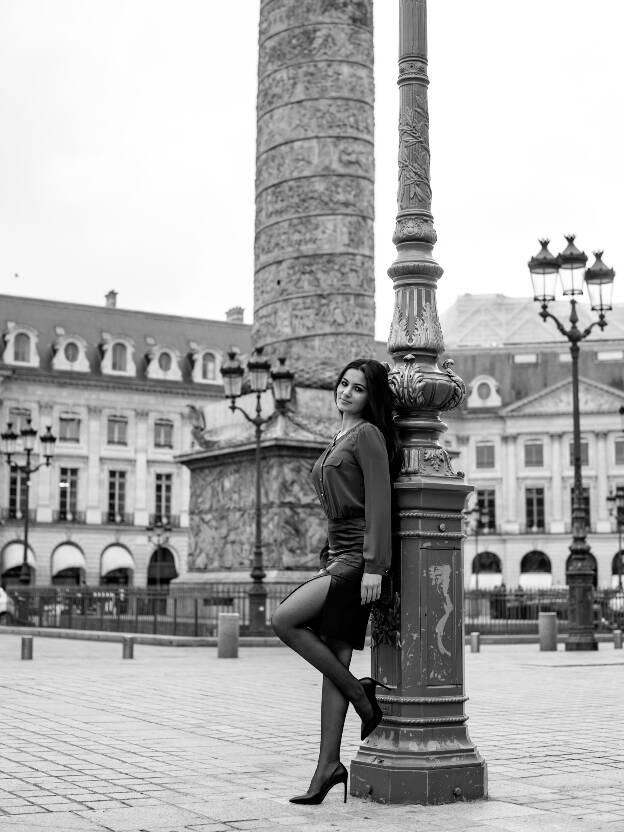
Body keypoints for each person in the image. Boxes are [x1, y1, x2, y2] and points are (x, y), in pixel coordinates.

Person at [271, 358, 401, 805]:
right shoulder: (339, 436)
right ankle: (329, 766)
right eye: (343, 384)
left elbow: (380, 501)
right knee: (336, 658)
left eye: (358, 389)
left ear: (371, 398)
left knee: (284, 619)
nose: (346, 392)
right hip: (338, 554)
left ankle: (359, 693)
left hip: (356, 559)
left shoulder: (367, 435)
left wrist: (374, 566)